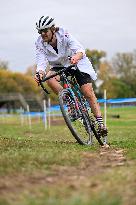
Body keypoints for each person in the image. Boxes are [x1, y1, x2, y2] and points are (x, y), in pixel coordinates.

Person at [34, 15, 108, 135]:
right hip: (59, 65)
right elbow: (41, 61)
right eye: (40, 31)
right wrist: (39, 73)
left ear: (53, 29)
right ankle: (71, 103)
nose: (43, 34)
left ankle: (100, 123)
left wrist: (76, 57)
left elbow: (80, 50)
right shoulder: (39, 43)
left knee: (87, 91)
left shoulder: (64, 34)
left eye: (45, 31)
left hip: (76, 62)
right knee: (50, 80)